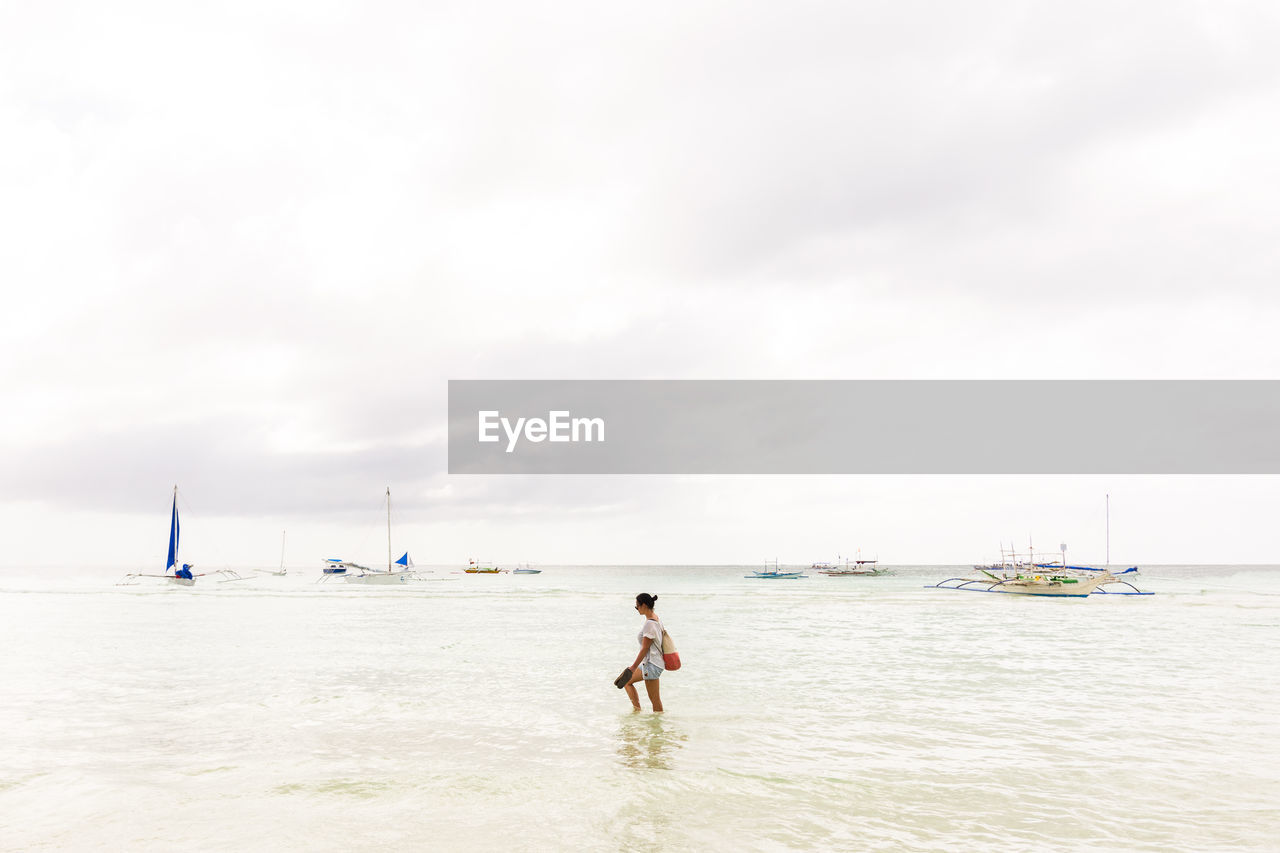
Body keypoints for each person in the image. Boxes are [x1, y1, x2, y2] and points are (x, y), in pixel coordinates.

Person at [624, 593, 664, 712]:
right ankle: (637, 711)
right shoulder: (656, 618)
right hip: (654, 663)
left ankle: (640, 714)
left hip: (651, 665)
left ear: (644, 605)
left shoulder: (649, 624)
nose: (637, 609)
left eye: (637, 606)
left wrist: (633, 667)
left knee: (655, 701)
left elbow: (645, 648)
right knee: (627, 682)